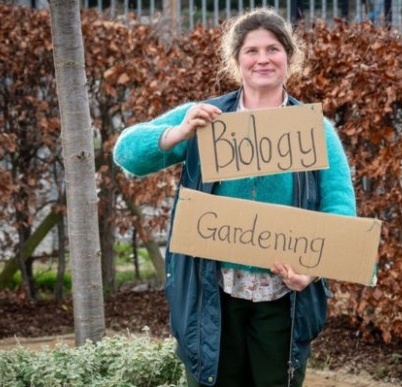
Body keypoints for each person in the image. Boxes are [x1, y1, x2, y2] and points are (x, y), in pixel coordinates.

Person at [113, 8, 356, 387]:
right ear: (236, 60)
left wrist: (313, 268)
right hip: (213, 294)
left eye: (273, 49)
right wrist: (178, 133)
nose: (263, 59)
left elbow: (340, 207)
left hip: (281, 297)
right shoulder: (206, 117)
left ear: (289, 58)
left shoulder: (315, 131)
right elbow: (126, 153)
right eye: (251, 50)